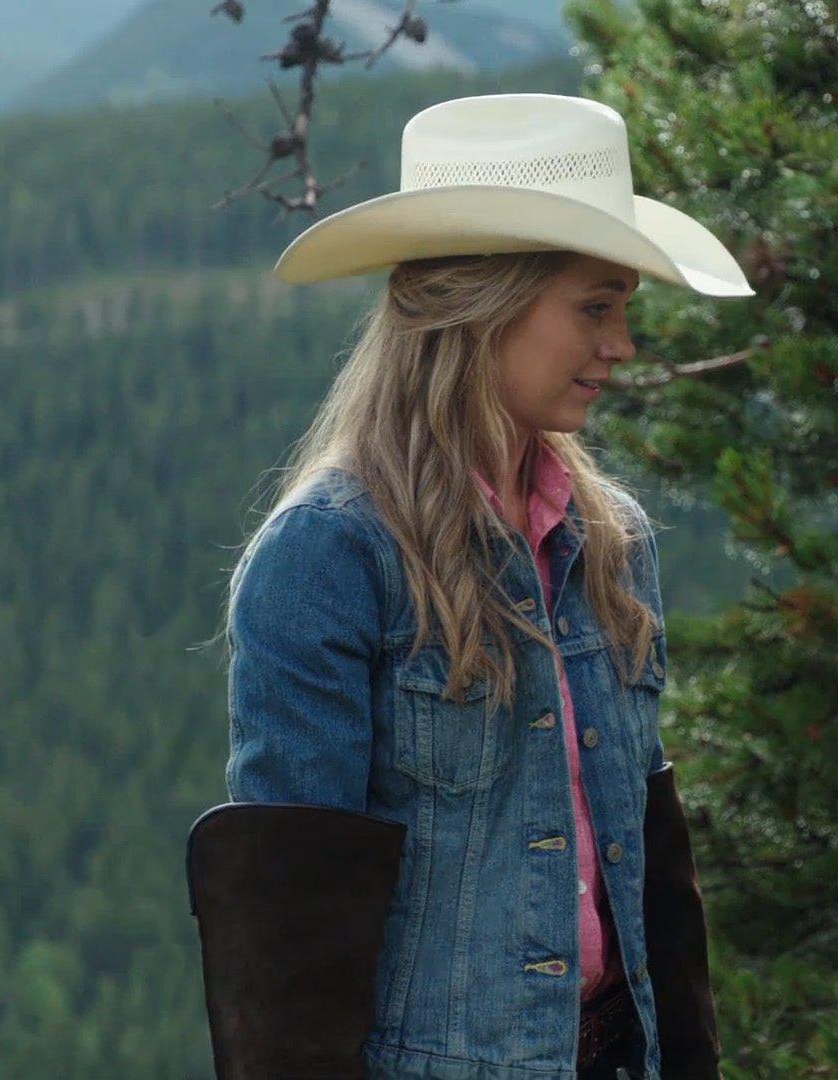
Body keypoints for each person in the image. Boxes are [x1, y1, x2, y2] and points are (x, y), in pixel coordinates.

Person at [192, 93, 750, 1080]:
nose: (621, 343)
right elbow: (289, 937)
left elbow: (655, 876)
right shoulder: (330, 556)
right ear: (481, 301)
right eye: (595, 306)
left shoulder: (609, 543)